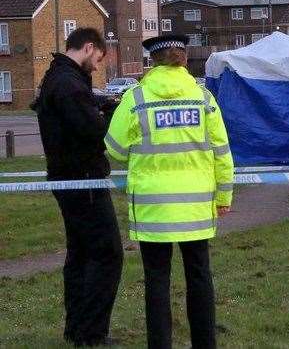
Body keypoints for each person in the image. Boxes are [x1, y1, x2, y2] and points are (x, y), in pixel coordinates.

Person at [105, 34, 234, 349]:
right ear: (184, 59)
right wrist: (223, 197)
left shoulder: (135, 98)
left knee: (157, 281)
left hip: (154, 207)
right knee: (199, 275)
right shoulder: (203, 98)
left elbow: (115, 150)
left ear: (152, 61)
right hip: (196, 205)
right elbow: (222, 151)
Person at [32, 27, 123, 347]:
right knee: (107, 253)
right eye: (98, 58)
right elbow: (93, 132)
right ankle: (92, 333)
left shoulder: (58, 77)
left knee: (81, 254)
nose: (97, 66)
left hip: (69, 178)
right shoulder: (69, 84)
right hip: (83, 179)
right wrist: (111, 114)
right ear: (87, 48)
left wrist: (99, 107)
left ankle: (77, 329)